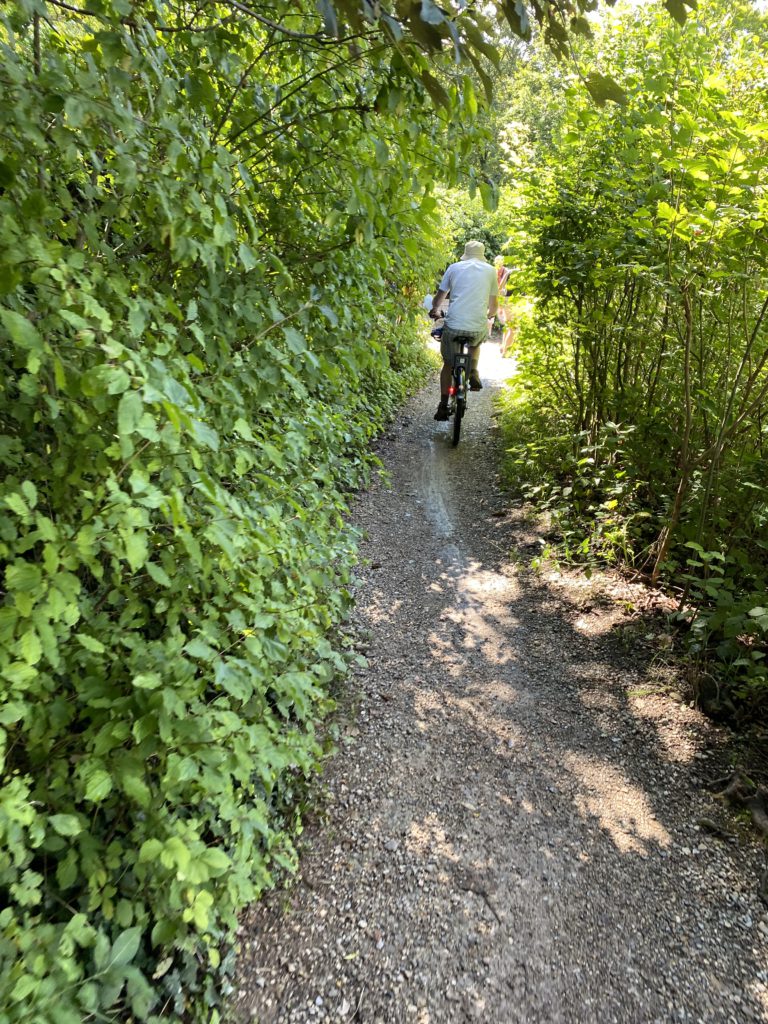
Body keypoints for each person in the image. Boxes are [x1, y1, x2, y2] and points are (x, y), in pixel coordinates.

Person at [430, 240, 498, 421]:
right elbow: (493, 306)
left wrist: (436, 310)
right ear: (482, 254)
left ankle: (443, 405)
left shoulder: (453, 268)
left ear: (465, 253)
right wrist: (489, 316)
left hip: (453, 326)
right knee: (476, 342)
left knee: (448, 364)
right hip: (476, 326)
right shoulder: (491, 271)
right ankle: (473, 370)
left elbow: (439, 297)